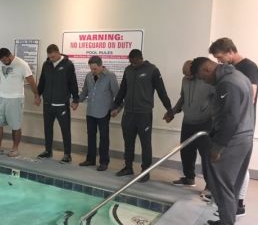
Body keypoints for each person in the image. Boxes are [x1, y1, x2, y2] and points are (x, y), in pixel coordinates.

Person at [191, 57, 253, 225]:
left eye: (202, 77)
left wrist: (218, 146)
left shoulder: (227, 83)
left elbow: (231, 118)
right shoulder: (238, 76)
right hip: (244, 137)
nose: (203, 81)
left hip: (232, 141)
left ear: (208, 68)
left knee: (224, 188)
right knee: (231, 188)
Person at [208, 37, 258, 216]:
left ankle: (238, 204)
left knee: (237, 170)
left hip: (240, 127)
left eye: (220, 57)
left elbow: (250, 97)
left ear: (230, 51)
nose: (219, 61)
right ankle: (226, 206)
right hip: (230, 124)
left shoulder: (249, 68)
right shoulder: (230, 71)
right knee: (227, 172)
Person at [111, 49, 173, 182]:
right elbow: (122, 90)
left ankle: (145, 171)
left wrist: (169, 109)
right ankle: (128, 167)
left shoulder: (152, 70)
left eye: (134, 62)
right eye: (130, 62)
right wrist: (114, 106)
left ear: (140, 58)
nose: (132, 64)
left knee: (145, 143)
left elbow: (161, 91)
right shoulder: (128, 70)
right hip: (128, 113)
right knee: (128, 142)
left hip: (144, 113)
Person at [164, 60, 213, 187]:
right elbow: (183, 98)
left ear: (196, 71)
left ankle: (210, 185)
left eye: (189, 74)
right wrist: (172, 112)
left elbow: (217, 99)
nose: (187, 77)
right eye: (185, 75)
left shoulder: (207, 80)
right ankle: (189, 178)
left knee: (206, 155)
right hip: (188, 122)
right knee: (186, 151)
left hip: (205, 124)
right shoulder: (185, 80)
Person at [0, 48, 40, 157]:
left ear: (10, 55)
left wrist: (36, 95)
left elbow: (31, 81)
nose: (4, 63)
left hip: (15, 98)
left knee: (15, 125)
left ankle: (15, 148)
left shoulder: (22, 64)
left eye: (5, 60)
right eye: (1, 61)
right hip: (1, 96)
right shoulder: (0, 64)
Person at [37, 44, 79, 163]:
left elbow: (73, 83)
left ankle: (67, 154)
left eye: (53, 57)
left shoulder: (68, 65)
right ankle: (48, 151)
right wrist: (37, 95)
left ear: (58, 53)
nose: (51, 59)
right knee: (47, 129)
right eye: (50, 57)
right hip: (48, 104)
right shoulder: (47, 64)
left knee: (65, 130)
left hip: (62, 105)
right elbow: (42, 81)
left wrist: (75, 100)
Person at [78, 56, 119, 170]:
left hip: (104, 112)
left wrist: (117, 109)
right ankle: (90, 159)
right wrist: (77, 101)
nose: (93, 71)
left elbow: (118, 94)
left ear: (101, 66)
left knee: (104, 137)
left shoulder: (110, 76)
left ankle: (104, 162)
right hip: (90, 111)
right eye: (91, 68)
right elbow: (84, 91)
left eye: (95, 69)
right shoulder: (88, 76)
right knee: (91, 136)